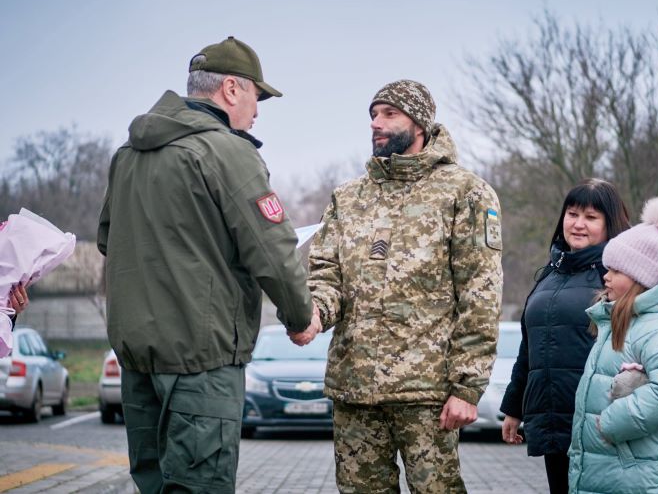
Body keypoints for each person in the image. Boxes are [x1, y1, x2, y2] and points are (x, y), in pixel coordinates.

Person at [97, 36, 319, 493]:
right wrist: (301, 317)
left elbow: (107, 239)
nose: (256, 113)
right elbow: (273, 250)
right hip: (202, 359)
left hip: (137, 362)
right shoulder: (228, 152)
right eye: (257, 98)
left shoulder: (128, 156)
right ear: (231, 89)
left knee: (153, 484)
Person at [307, 79, 503, 492]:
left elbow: (480, 294)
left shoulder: (465, 193)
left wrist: (467, 387)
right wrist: (313, 313)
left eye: (389, 114)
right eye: (373, 115)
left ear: (419, 124)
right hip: (355, 389)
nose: (376, 123)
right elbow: (325, 274)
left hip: (427, 393)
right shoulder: (348, 197)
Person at [500, 178, 630, 494]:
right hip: (553, 420)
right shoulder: (550, 273)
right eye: (572, 214)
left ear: (609, 224)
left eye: (591, 217)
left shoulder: (618, 276)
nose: (578, 224)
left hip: (599, 422)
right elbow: (529, 347)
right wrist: (514, 408)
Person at [567, 197, 658, 493]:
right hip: (622, 476)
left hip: (644, 480)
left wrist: (611, 423)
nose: (605, 276)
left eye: (616, 271)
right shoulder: (626, 322)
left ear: (642, 278)